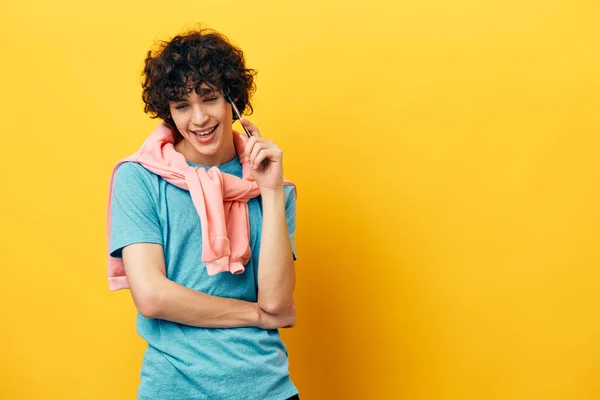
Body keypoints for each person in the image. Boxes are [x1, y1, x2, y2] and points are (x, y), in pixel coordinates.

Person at [106, 27, 300, 400]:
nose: (198, 118)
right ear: (169, 113)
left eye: (209, 98)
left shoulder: (275, 187)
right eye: (182, 106)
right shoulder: (139, 178)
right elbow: (151, 296)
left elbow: (276, 301)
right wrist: (254, 315)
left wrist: (272, 191)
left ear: (233, 99)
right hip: (174, 388)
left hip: (266, 387)